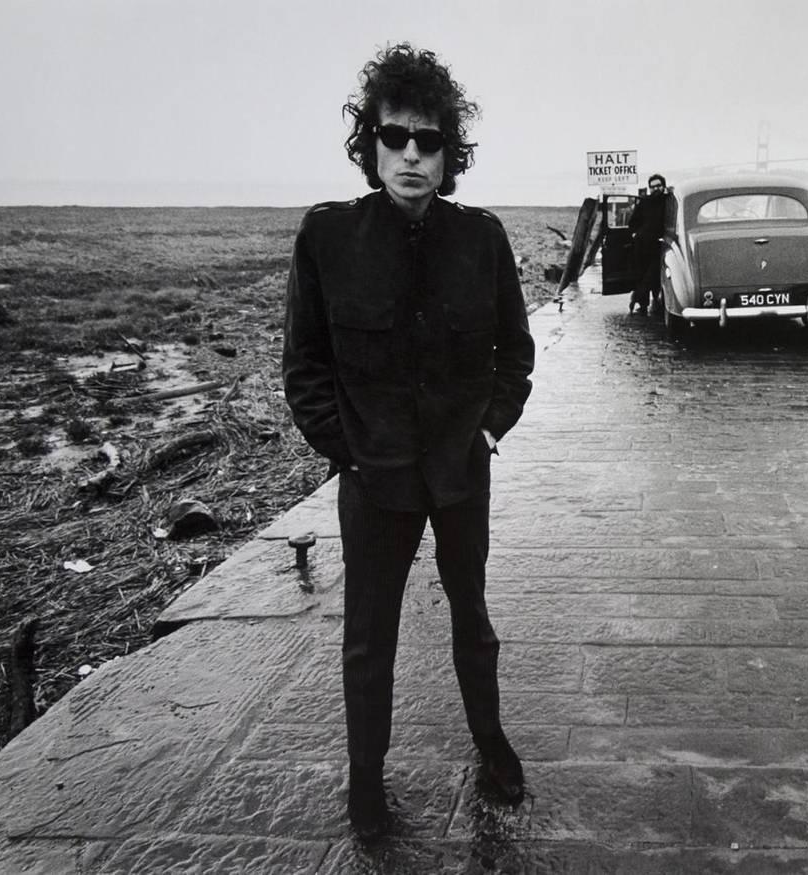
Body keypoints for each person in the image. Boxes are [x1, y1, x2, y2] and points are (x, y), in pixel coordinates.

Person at [282, 43, 535, 840]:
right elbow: (305, 367)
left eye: (430, 141)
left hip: (461, 468)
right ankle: (366, 784)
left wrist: (489, 428)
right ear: (372, 144)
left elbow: (515, 356)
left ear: (450, 154)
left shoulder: (482, 239)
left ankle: (491, 742)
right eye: (396, 137)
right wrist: (347, 449)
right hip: (374, 477)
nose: (413, 154)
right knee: (369, 639)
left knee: (473, 615)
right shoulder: (326, 240)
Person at [627, 173, 668, 314]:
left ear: (664, 186)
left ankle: (649, 299)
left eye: (658, 186)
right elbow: (633, 222)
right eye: (653, 187)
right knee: (641, 274)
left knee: (654, 275)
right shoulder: (644, 202)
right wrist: (635, 234)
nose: (656, 189)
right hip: (642, 244)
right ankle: (642, 305)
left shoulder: (669, 202)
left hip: (660, 244)